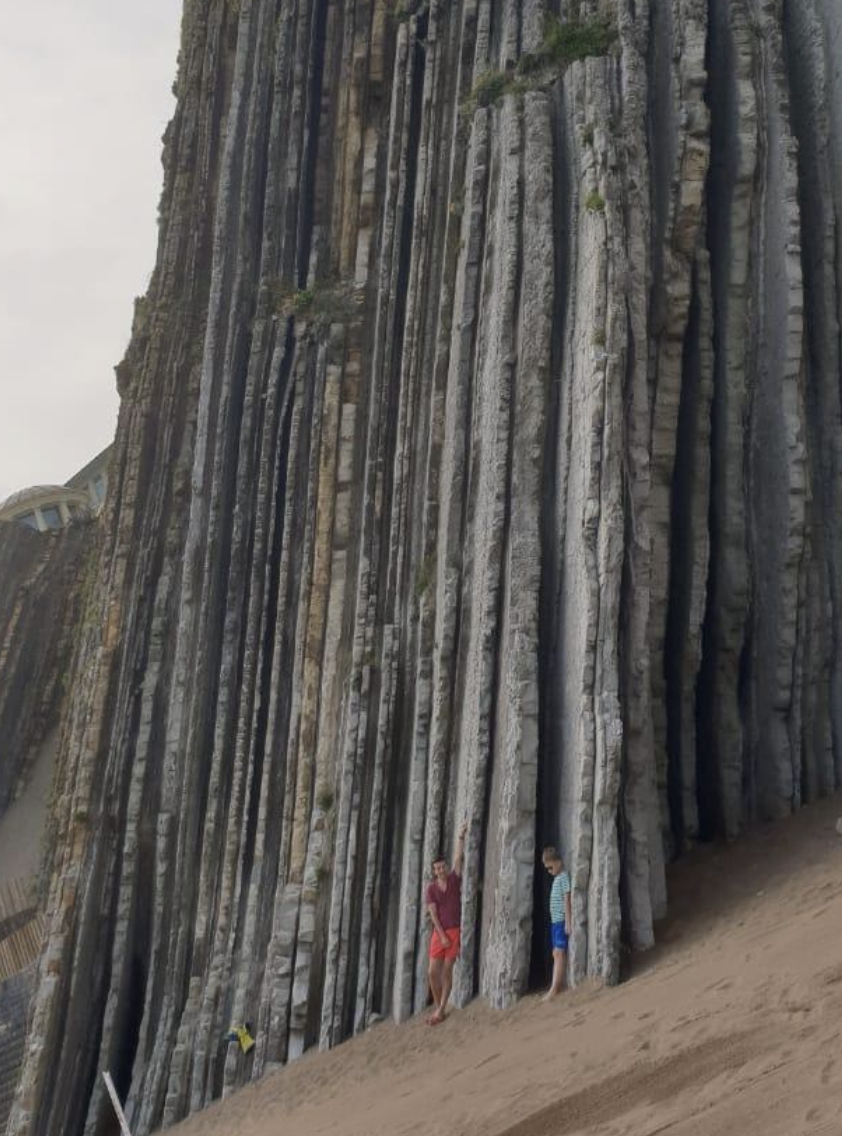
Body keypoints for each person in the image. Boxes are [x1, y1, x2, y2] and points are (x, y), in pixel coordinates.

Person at [425, 821, 467, 1025]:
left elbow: (459, 858)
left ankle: (441, 1010)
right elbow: (432, 913)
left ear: (445, 867)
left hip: (454, 930)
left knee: (447, 970)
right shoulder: (431, 889)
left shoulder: (453, 879)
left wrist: (461, 837)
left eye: (442, 867)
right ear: (434, 871)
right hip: (440, 932)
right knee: (432, 972)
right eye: (437, 868)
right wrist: (441, 935)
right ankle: (439, 1006)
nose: (440, 870)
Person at [541, 846, 572, 1001]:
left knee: (559, 953)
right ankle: (555, 985)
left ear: (558, 862)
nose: (549, 871)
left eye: (550, 867)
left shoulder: (564, 877)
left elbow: (567, 899)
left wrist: (568, 921)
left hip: (560, 922)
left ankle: (555, 988)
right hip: (555, 923)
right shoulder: (557, 879)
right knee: (556, 953)